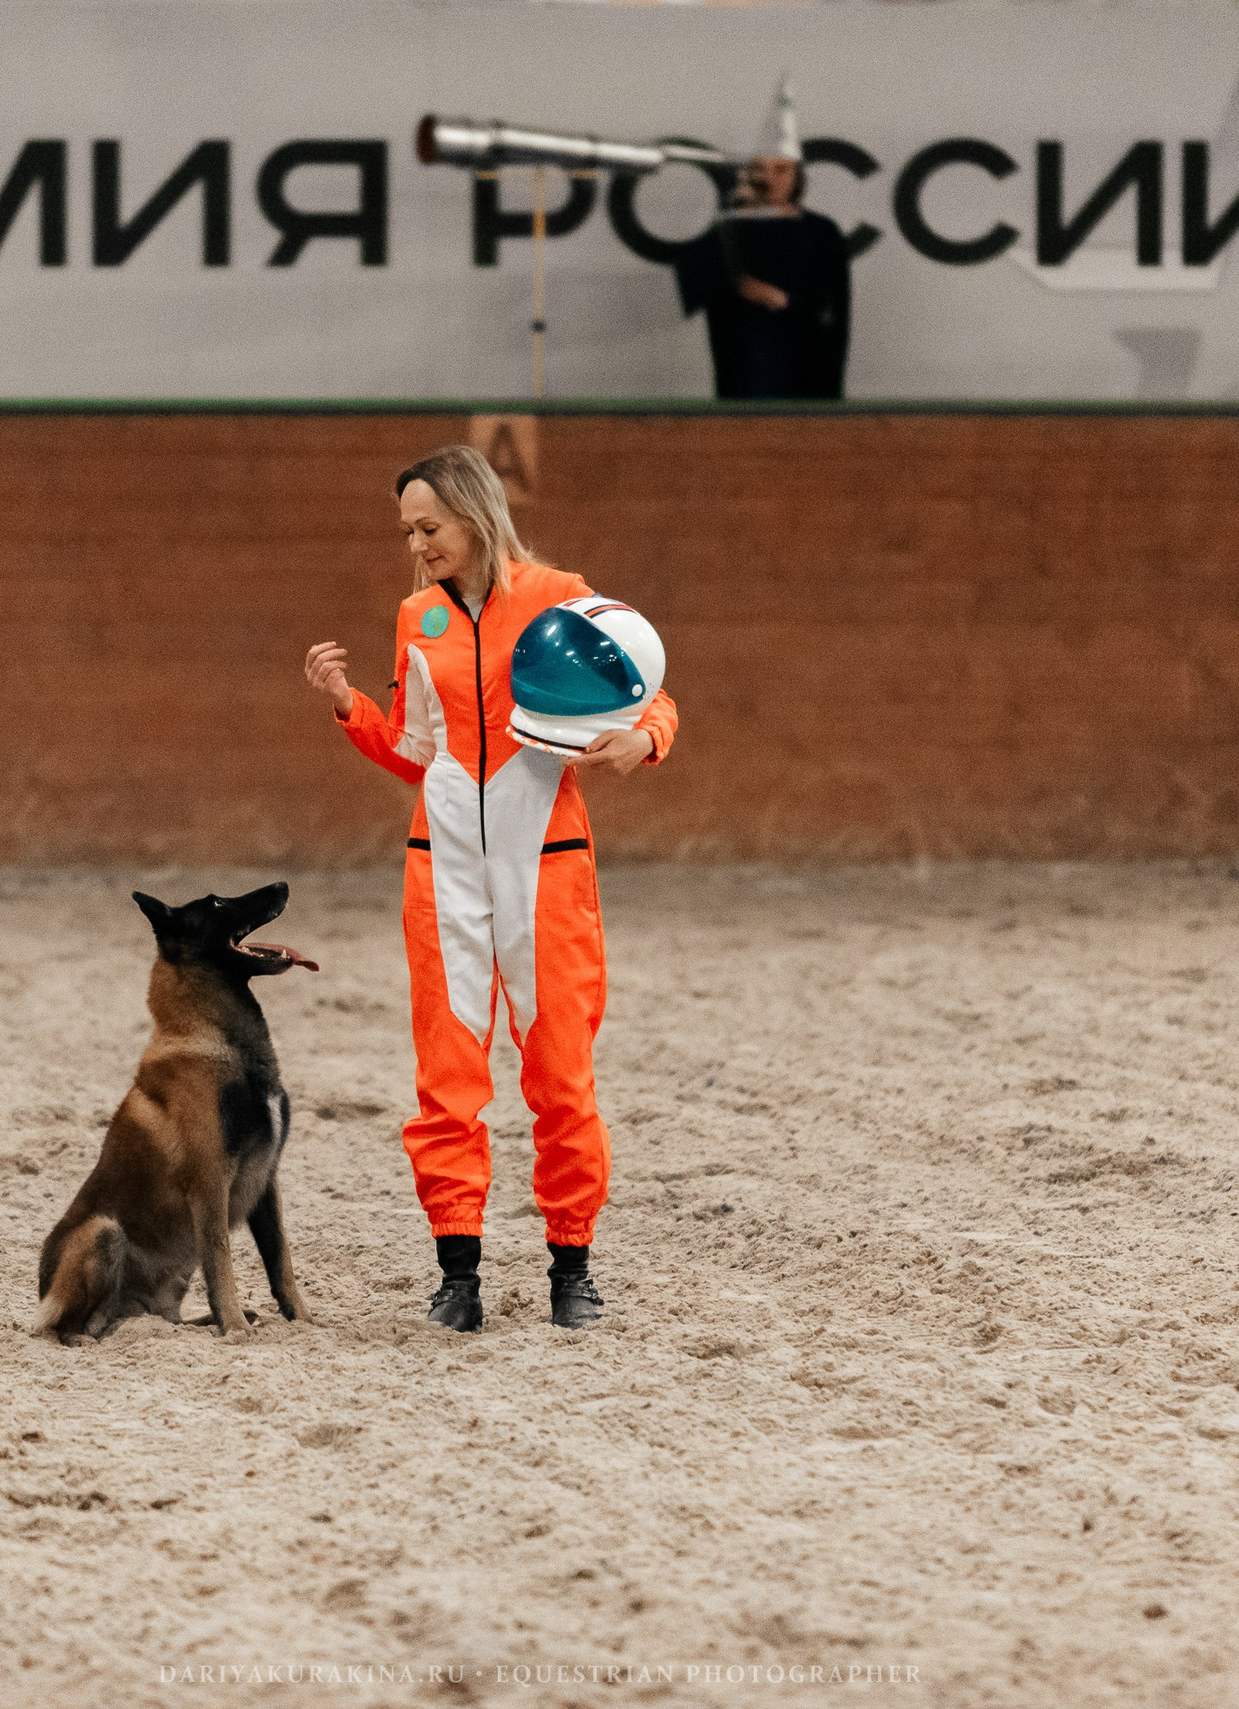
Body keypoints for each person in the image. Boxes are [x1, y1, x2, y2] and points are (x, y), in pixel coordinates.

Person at [302, 446, 677, 1333]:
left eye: (428, 527)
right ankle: (457, 1273)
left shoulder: (559, 594)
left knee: (560, 1071)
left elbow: (650, 692)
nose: (416, 545)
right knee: (447, 1074)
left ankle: (572, 1267)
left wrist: (643, 741)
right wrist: (351, 707)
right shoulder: (414, 618)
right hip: (443, 865)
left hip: (546, 860)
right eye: (407, 532)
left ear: (475, 514)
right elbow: (416, 751)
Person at [671, 85, 851, 400]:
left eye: (782, 170)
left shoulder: (821, 232)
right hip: (744, 371)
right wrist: (736, 210)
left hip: (806, 370)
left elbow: (835, 309)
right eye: (763, 171)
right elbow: (690, 287)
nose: (772, 180)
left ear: (797, 176)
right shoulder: (726, 231)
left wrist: (786, 302)